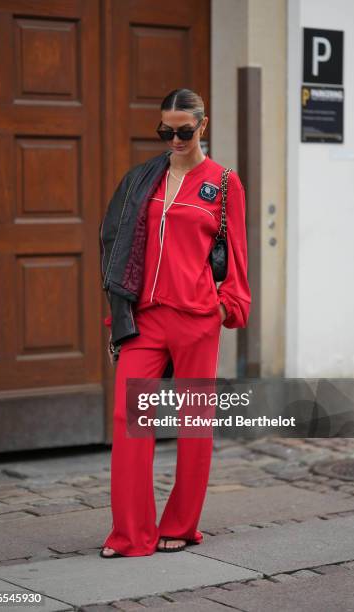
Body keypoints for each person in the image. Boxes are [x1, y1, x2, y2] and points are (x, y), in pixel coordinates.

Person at [99, 88, 251, 557]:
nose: (174, 139)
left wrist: (224, 307)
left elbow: (238, 261)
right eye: (166, 131)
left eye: (184, 130)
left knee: (193, 422)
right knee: (130, 419)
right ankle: (130, 535)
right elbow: (119, 242)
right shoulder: (146, 179)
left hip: (196, 320)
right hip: (146, 318)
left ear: (203, 126)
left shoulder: (224, 183)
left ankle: (181, 525)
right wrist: (118, 310)